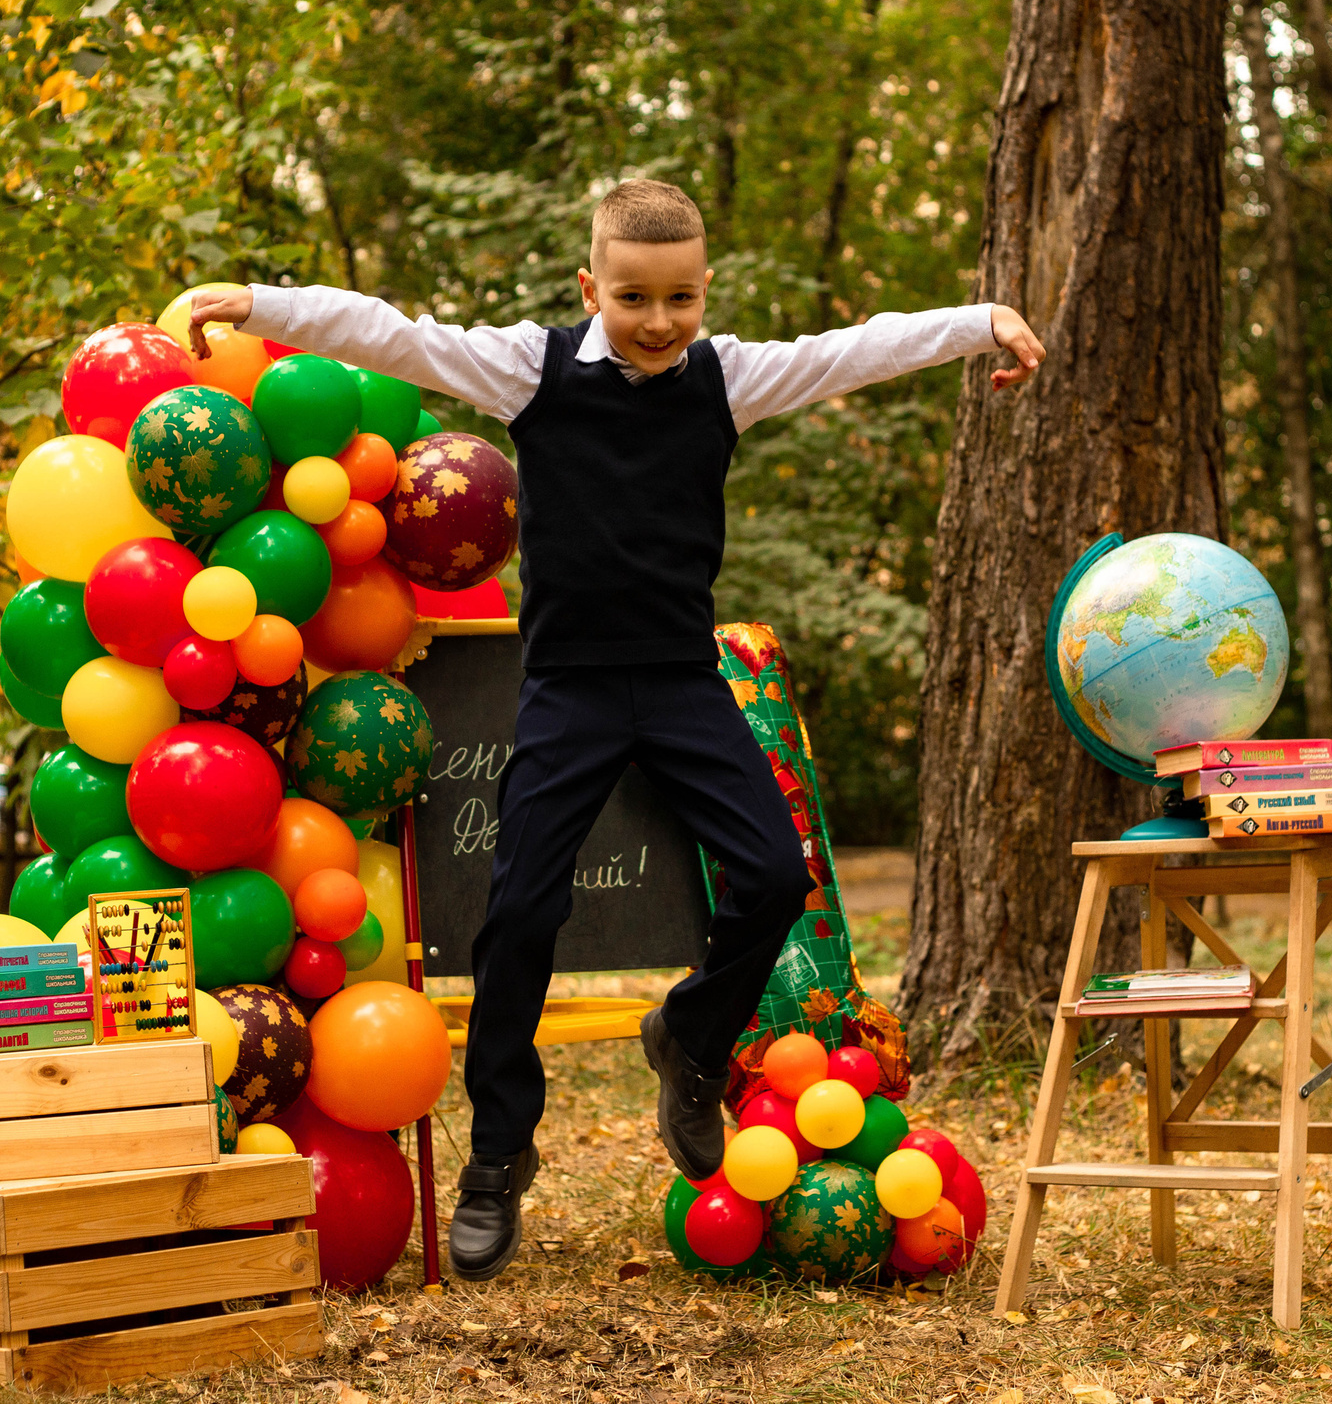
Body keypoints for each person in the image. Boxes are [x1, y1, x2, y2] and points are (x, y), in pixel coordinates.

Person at [185, 178, 1042, 1281]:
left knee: (774, 878)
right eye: (634, 296)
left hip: (684, 683)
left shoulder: (727, 378)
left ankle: (688, 1037)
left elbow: (852, 348)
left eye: (679, 298)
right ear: (593, 287)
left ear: (702, 291)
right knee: (518, 915)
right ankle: (497, 1157)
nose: (657, 320)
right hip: (571, 690)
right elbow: (393, 335)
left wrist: (981, 324)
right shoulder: (530, 372)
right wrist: (263, 302)